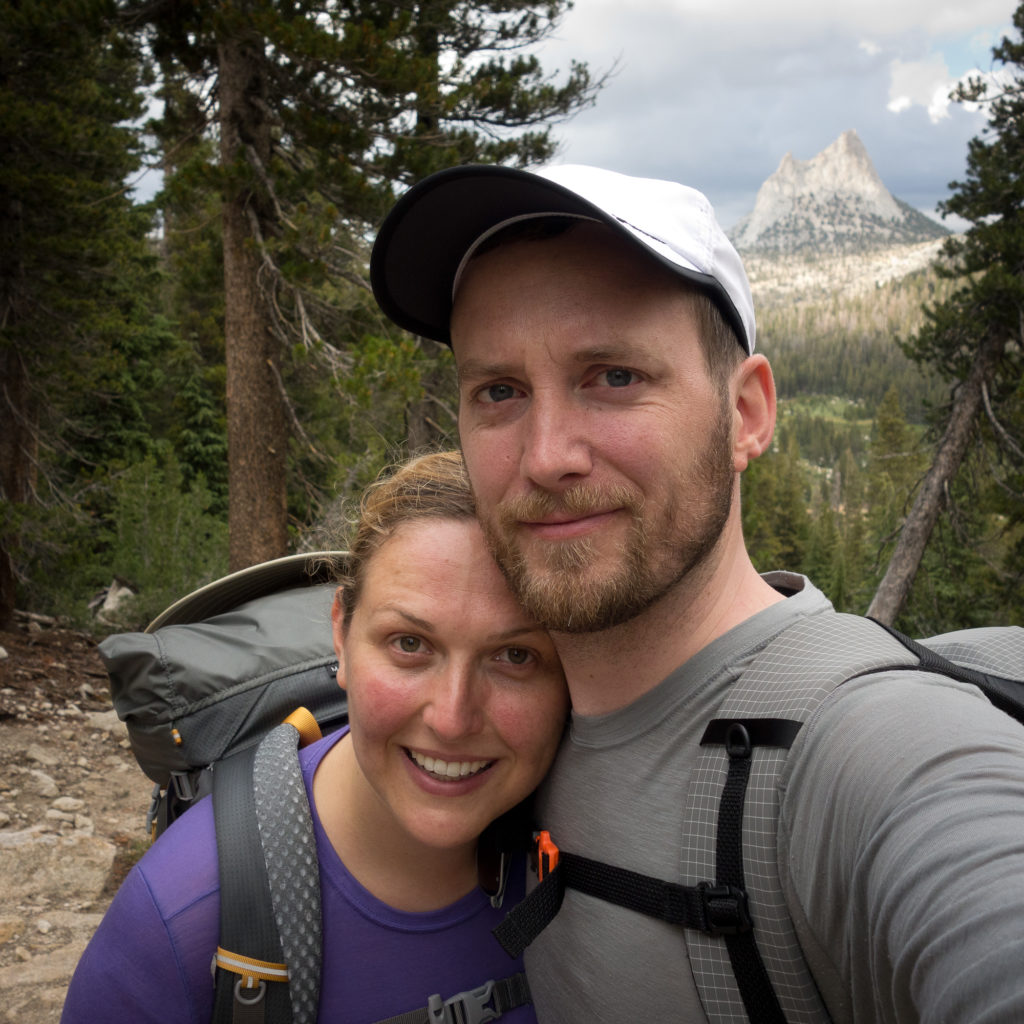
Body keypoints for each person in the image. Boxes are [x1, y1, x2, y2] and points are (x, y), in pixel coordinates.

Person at [369, 165, 1024, 1021]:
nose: (546, 456)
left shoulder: (871, 751)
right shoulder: (495, 728)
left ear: (747, 413)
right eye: (500, 391)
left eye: (614, 377)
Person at [62, 451, 568, 1024]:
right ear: (341, 635)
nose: (453, 719)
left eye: (515, 656)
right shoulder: (181, 921)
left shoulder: (597, 852)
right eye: (409, 644)